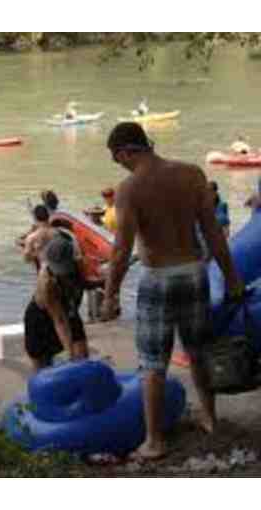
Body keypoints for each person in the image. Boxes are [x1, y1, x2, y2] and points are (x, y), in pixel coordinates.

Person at [102, 122, 244, 460]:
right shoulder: (192, 174)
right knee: (197, 351)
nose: (119, 166)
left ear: (126, 151)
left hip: (158, 279)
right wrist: (232, 277)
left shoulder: (129, 189)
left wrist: (110, 294)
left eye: (117, 159)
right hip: (194, 273)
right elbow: (214, 233)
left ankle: (154, 441)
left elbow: (121, 251)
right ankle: (210, 418)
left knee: (153, 362)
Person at [24, 236, 88, 372]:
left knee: (82, 361)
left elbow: (83, 283)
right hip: (40, 320)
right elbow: (60, 320)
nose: (62, 273)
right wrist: (69, 353)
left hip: (69, 310)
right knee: (43, 372)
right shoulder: (47, 282)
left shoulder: (78, 264)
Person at [22, 205, 59, 271]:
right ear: (48, 217)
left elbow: (27, 259)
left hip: (45, 270)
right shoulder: (58, 233)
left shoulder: (32, 238)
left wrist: (36, 253)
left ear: (36, 219)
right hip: (59, 267)